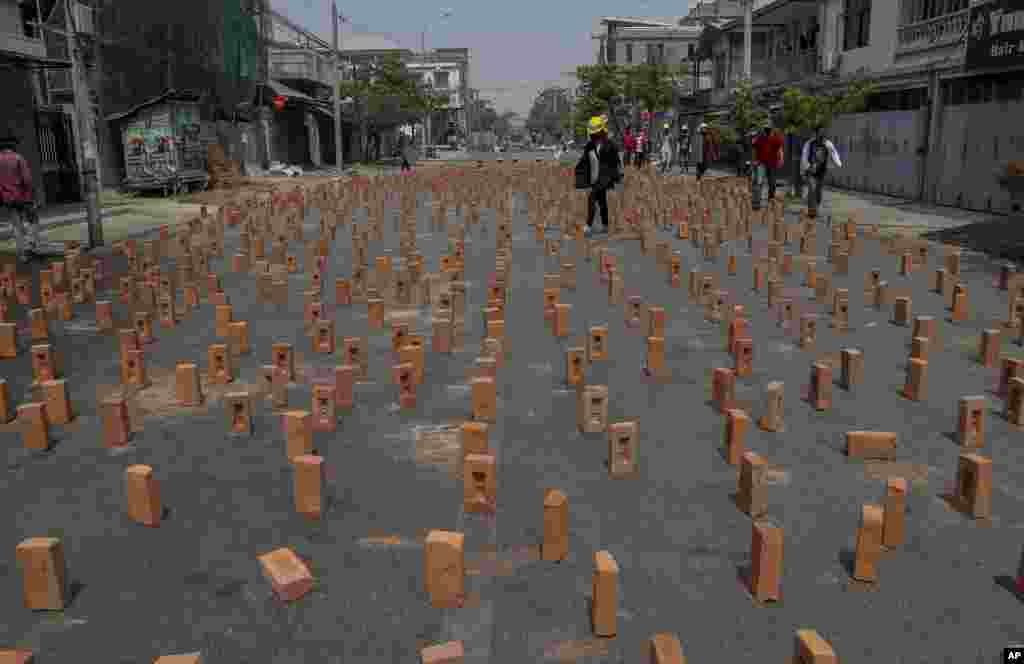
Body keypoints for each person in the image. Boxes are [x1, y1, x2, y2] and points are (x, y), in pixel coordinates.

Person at [0, 134, 40, 261]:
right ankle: (31, 245)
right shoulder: (18, 158)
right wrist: (33, 195)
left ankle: (22, 255)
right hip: (23, 197)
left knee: (16, 225)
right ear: (13, 146)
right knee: (33, 220)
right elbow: (27, 180)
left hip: (8, 198)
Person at [581, 115, 621, 238]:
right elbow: (586, 161)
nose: (594, 135)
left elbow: (616, 162)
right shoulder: (589, 145)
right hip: (594, 177)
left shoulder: (610, 145)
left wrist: (616, 176)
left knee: (592, 198)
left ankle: (588, 225)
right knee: (602, 201)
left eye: (596, 132)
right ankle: (605, 224)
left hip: (604, 177)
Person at [800, 125, 842, 218]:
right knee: (812, 188)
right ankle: (811, 211)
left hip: (821, 172)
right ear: (816, 133)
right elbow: (804, 156)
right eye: (819, 133)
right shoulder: (809, 144)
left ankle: (816, 207)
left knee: (818, 192)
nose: (821, 135)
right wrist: (807, 167)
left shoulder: (827, 144)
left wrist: (838, 163)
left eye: (823, 133)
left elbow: (834, 153)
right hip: (810, 171)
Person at [752, 123, 785, 201]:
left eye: (769, 129)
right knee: (759, 181)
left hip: (772, 163)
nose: (767, 131)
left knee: (772, 182)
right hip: (761, 163)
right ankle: (757, 197)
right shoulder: (760, 139)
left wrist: (781, 159)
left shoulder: (775, 139)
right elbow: (754, 149)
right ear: (764, 130)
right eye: (766, 129)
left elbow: (780, 149)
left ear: (771, 130)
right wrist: (754, 161)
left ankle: (771, 197)